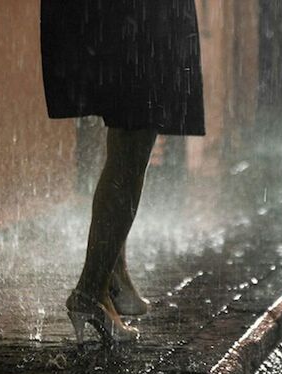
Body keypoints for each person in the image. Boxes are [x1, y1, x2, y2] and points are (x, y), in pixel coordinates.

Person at [40, 1, 206, 345]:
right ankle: (90, 290)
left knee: (129, 127)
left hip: (123, 15)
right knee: (135, 132)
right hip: (135, 14)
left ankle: (114, 276)